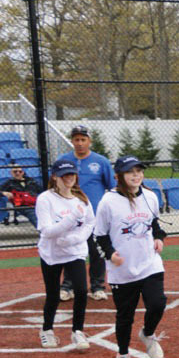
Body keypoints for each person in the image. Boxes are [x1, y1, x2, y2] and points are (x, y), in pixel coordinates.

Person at [94, 156, 168, 358]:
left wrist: (159, 238)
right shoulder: (108, 202)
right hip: (122, 269)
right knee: (125, 316)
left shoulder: (151, 196)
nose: (136, 175)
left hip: (149, 263)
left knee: (158, 303)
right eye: (130, 172)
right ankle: (123, 357)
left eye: (139, 171)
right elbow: (99, 235)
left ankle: (148, 333)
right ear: (119, 176)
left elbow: (154, 224)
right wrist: (110, 254)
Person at [34, 158, 94, 350]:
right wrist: (71, 219)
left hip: (74, 251)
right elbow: (47, 231)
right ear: (55, 177)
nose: (68, 178)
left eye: (71, 174)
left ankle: (77, 331)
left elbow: (90, 224)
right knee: (53, 294)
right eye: (64, 175)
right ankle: (47, 329)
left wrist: (74, 240)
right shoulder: (45, 199)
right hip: (51, 253)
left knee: (82, 290)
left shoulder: (82, 200)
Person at [57, 125, 115, 301]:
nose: (80, 143)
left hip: (94, 215)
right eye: (76, 139)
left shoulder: (101, 161)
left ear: (89, 141)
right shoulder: (63, 160)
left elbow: (111, 186)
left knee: (96, 251)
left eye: (83, 139)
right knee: (71, 250)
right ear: (72, 141)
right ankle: (68, 286)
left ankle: (97, 286)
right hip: (69, 215)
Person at [1, 163, 41, 227]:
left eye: (20, 171)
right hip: (23, 206)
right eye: (15, 172)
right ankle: (45, 232)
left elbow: (42, 190)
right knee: (34, 215)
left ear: (23, 172)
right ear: (11, 173)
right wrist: (3, 193)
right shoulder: (9, 183)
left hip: (36, 203)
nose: (18, 173)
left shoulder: (31, 181)